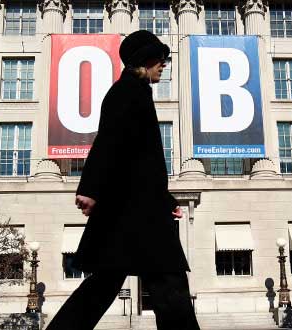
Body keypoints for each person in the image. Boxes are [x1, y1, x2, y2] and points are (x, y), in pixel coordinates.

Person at [46, 30, 200, 330]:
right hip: (133, 212)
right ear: (144, 61)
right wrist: (91, 188)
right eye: (159, 59)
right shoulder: (126, 92)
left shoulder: (137, 91)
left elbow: (141, 159)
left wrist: (165, 200)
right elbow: (109, 142)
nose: (164, 64)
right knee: (166, 283)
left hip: (136, 209)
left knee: (107, 283)